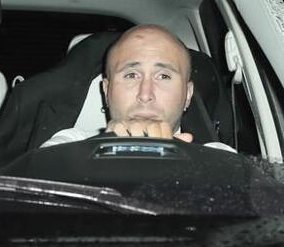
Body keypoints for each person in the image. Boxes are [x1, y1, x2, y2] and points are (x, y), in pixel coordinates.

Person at [41, 24, 234, 152]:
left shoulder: (217, 157)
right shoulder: (68, 145)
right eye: (131, 75)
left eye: (164, 76)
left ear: (188, 95)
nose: (145, 94)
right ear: (106, 92)